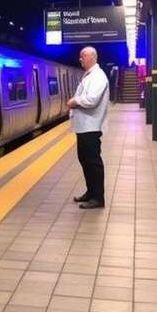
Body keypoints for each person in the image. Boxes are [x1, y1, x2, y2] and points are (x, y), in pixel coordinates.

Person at [67, 46, 110, 209]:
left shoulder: (98, 77)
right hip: (84, 126)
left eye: (82, 56)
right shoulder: (90, 76)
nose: (80, 59)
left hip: (91, 126)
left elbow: (92, 99)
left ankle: (98, 198)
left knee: (93, 162)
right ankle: (91, 192)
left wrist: (74, 101)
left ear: (92, 57)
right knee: (85, 160)